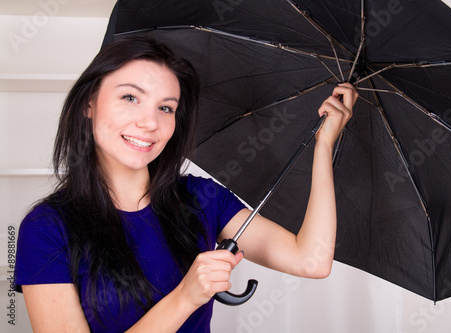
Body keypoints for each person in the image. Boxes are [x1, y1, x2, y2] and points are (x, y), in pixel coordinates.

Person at [15, 35, 358, 333]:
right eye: (130, 98)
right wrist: (185, 296)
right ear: (89, 103)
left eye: (166, 108)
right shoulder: (46, 229)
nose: (149, 122)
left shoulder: (201, 198)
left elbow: (311, 260)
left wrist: (324, 145)